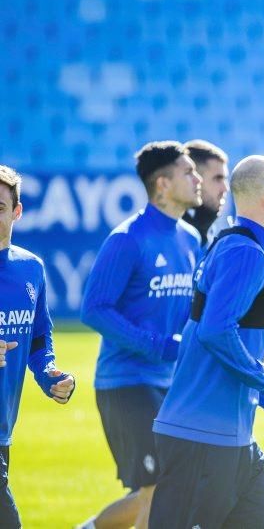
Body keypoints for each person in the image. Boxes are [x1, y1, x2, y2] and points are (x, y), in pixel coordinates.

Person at [149, 155, 264, 528]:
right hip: (203, 441)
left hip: (232, 440)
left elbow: (210, 344)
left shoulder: (232, 245)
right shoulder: (246, 253)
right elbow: (215, 332)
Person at [79, 141, 203, 529]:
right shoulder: (127, 238)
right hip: (127, 383)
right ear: (162, 184)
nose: (198, 178)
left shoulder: (191, 239)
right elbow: (94, 309)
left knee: (169, 490)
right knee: (159, 491)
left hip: (169, 384)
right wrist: (156, 346)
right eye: (188, 172)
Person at [0, 165, 75, 528]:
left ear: (17, 212)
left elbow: (39, 338)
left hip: (3, 426)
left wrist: (49, 376)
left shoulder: (31, 269)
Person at [182, 139, 230, 247]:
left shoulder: (210, 232)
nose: (225, 188)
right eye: (218, 178)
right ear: (194, 180)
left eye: (225, 179)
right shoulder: (174, 238)